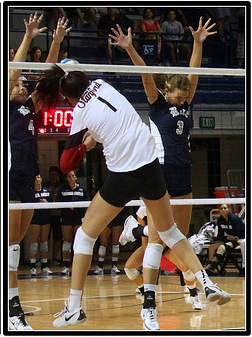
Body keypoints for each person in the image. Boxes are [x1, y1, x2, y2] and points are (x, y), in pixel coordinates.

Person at [28, 63, 230, 331]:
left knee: (84, 236)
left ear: (67, 97)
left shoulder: (79, 112)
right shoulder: (103, 84)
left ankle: (74, 308)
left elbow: (65, 165)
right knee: (170, 232)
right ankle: (206, 281)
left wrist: (86, 146)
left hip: (125, 172)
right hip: (151, 165)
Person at [111, 18, 216, 326]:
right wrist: (130, 48)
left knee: (178, 239)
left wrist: (197, 42)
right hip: (160, 175)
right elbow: (145, 74)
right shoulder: (157, 104)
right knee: (158, 241)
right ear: (167, 90)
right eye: (179, 97)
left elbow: (193, 75)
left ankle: (191, 284)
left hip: (184, 174)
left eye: (186, 97)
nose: (184, 101)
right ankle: (150, 303)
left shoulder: (186, 103)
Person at [8, 13, 70, 330]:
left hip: (28, 175)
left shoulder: (30, 104)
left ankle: (11, 302)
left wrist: (56, 40)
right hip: (10, 178)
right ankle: (13, 307)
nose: (20, 84)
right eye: (16, 82)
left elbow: (47, 78)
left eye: (21, 84)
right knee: (11, 243)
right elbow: (14, 72)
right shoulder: (3, 102)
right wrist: (29, 37)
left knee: (16, 242)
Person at [57, 170, 91, 276]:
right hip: (66, 218)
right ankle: (65, 265)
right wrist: (67, 205)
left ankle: (77, 266)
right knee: (67, 242)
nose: (71, 178)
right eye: (69, 176)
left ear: (76, 177)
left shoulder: (82, 189)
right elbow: (58, 203)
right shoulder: (62, 190)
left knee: (78, 242)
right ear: (66, 179)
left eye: (73, 176)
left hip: (78, 218)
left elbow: (87, 203)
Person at [204, 203, 245, 273]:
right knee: (212, 247)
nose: (223, 210)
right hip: (228, 239)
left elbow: (236, 236)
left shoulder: (234, 219)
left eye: (225, 208)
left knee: (222, 248)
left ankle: (209, 267)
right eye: (221, 209)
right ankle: (213, 267)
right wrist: (227, 237)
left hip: (240, 239)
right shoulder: (220, 220)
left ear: (229, 209)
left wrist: (228, 238)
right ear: (219, 211)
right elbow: (220, 236)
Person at [28, 174, 53, 276]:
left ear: (41, 179)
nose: (37, 179)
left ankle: (44, 266)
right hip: (34, 218)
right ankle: (33, 266)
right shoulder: (30, 191)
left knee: (44, 242)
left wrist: (46, 202)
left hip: (45, 218)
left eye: (38, 177)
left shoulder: (47, 191)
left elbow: (52, 203)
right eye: (35, 178)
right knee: (34, 241)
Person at [94, 207, 128, 275]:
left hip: (118, 216)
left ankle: (114, 266)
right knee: (103, 243)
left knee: (116, 242)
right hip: (105, 216)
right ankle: (100, 266)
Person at [46, 165, 63, 266]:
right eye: (51, 174)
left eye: (55, 174)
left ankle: (54, 258)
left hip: (58, 214)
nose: (53, 176)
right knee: (45, 238)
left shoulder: (61, 186)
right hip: (47, 214)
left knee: (57, 237)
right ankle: (44, 259)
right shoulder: (45, 186)